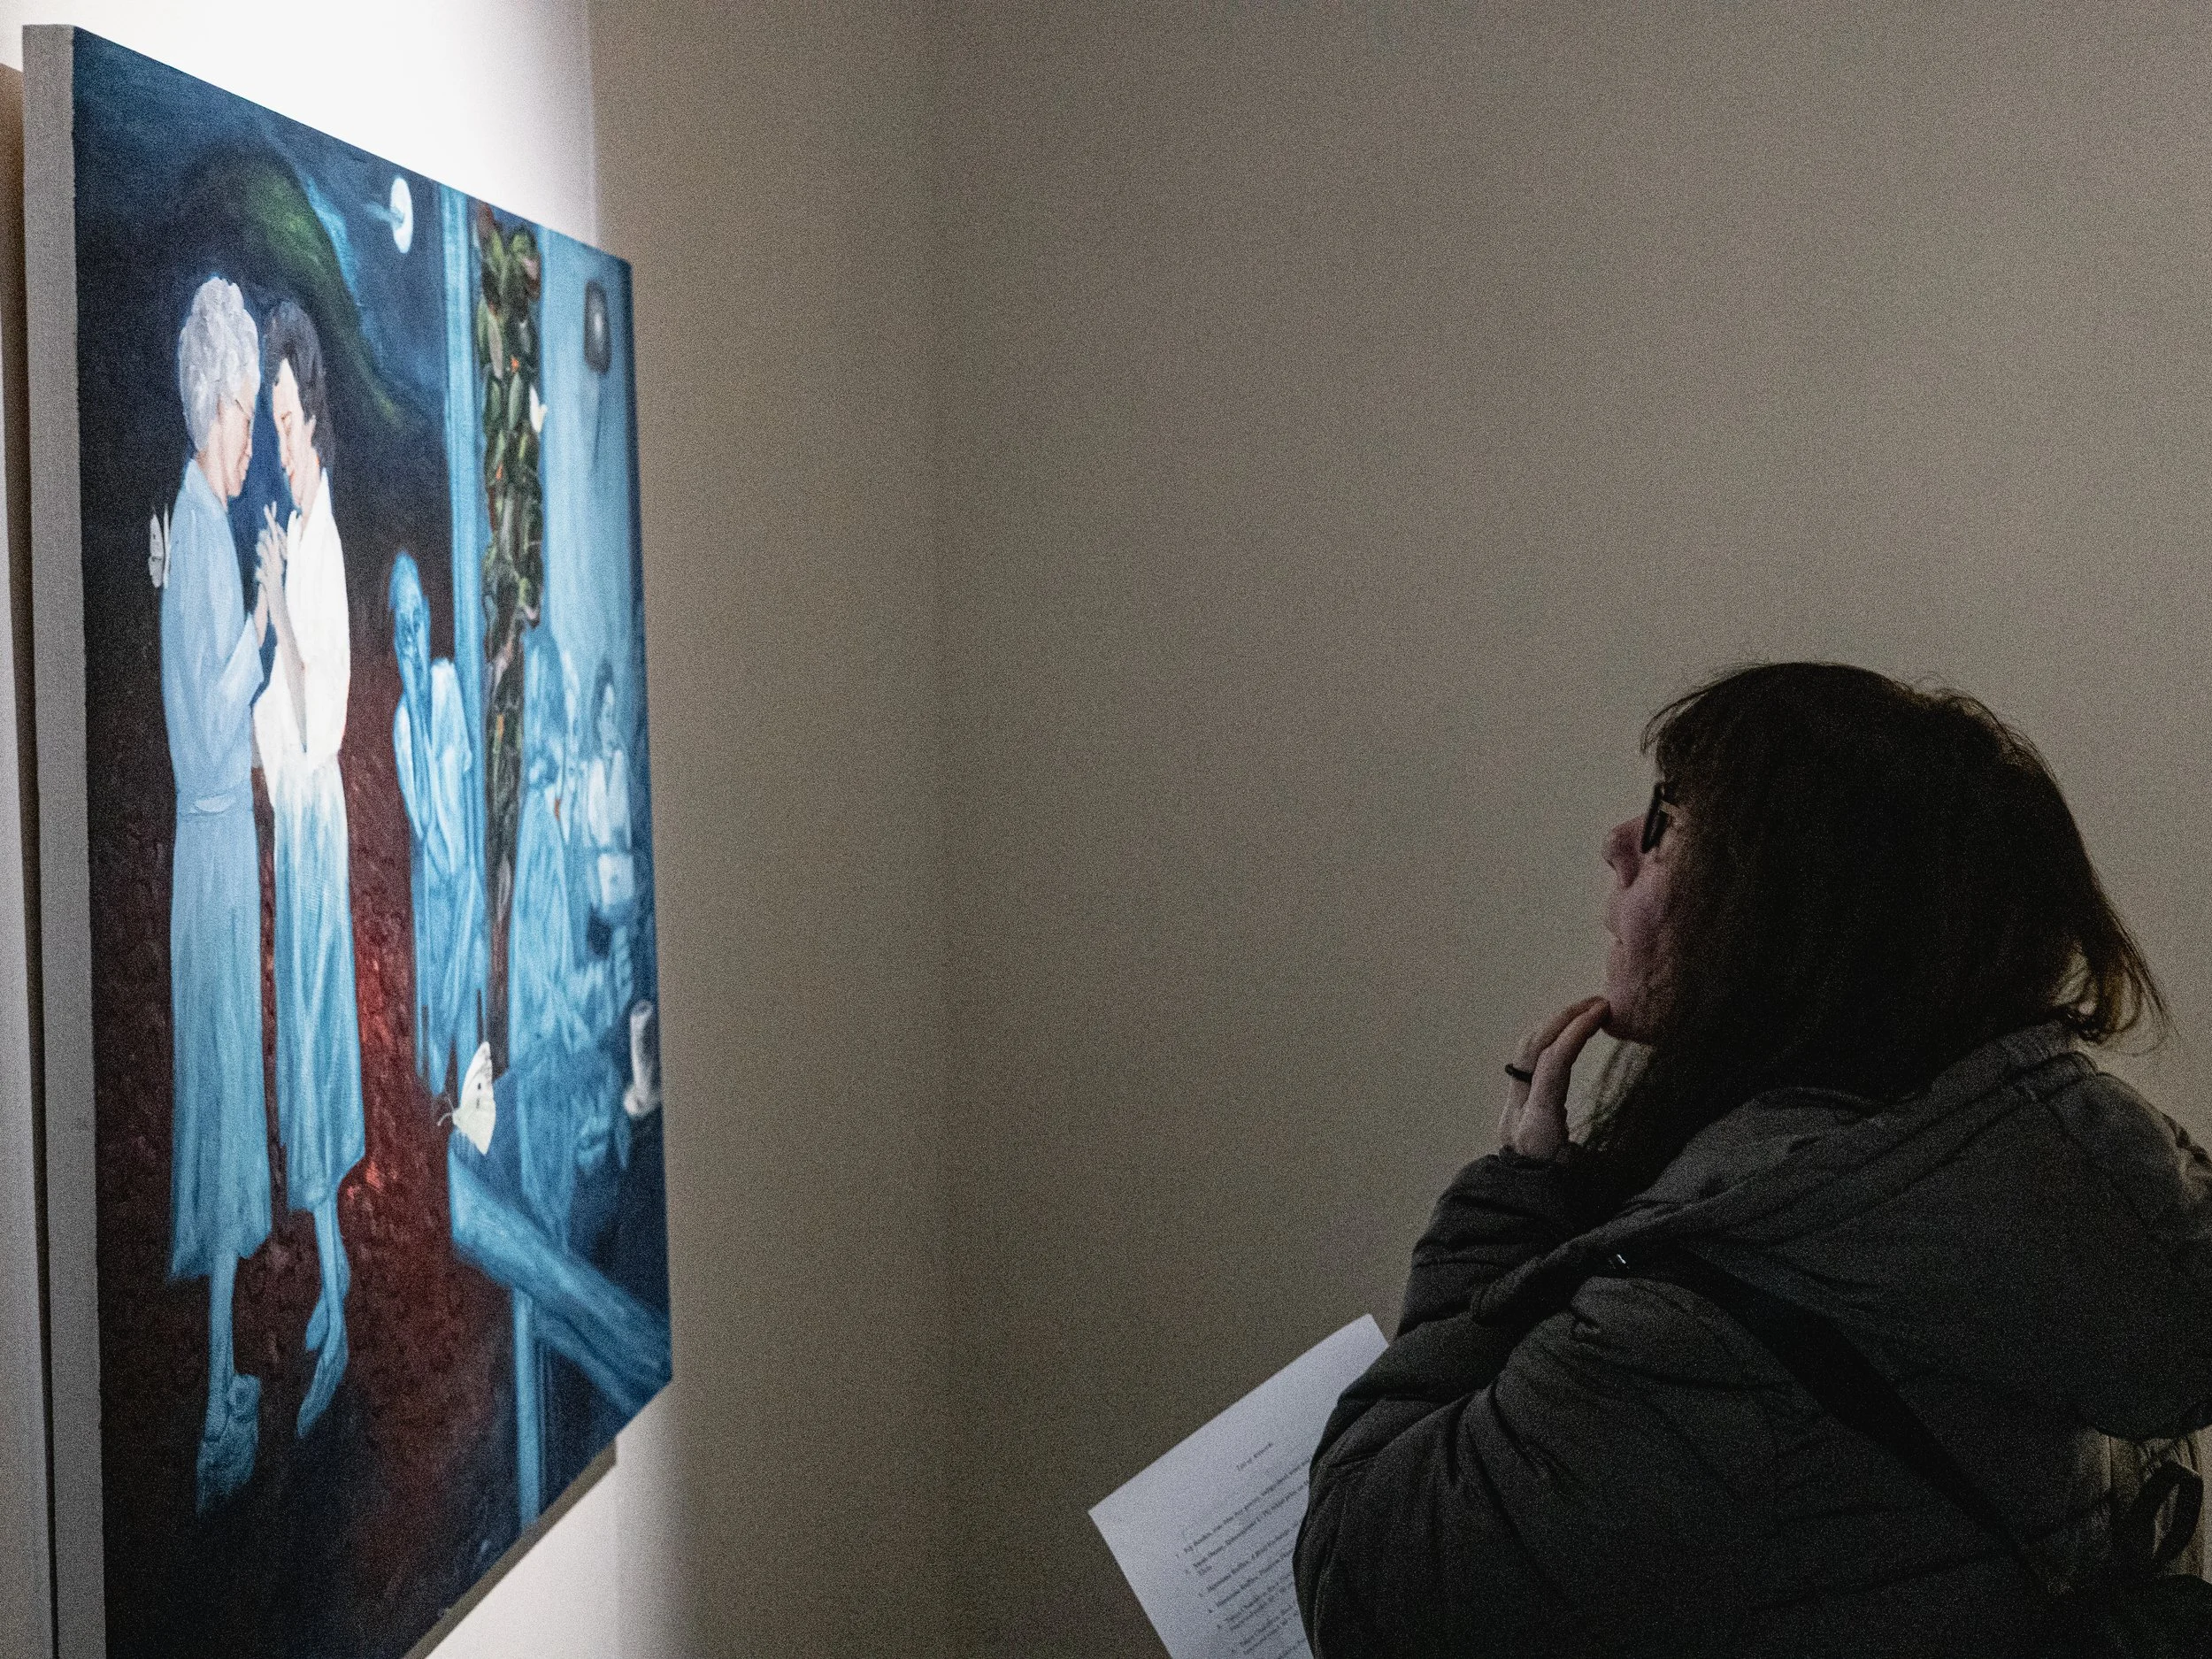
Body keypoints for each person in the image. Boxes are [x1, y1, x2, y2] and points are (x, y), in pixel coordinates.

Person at [1294, 662, 2212, 1658]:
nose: (1615, 846)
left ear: (1776, 910)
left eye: (1664, 823)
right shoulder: (2050, 1179)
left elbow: (1376, 1598)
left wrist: (1502, 1218)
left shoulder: (1704, 1316)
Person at [159, 275, 274, 1513]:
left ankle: (224, 1375)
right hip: (212, 845)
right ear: (217, 406)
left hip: (219, 847)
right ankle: (212, 1408)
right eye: (241, 416)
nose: (247, 442)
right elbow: (204, 724)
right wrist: (261, 634)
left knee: (231, 1107)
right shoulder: (199, 529)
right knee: (223, 1103)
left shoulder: (198, 522)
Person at [252, 299, 365, 1437]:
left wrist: (280, 602)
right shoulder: (308, 522)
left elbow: (320, 718)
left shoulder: (322, 545)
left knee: (320, 1064)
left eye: (288, 421)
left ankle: (339, 1298)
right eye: (271, 422)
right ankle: (338, 1293)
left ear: (312, 412)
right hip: (302, 815)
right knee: (309, 1061)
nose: (280, 444)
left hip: (317, 820)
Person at [390, 553, 487, 1100]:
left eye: (416, 615)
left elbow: (465, 774)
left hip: (465, 867)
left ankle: (473, 1114)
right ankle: (437, 1111)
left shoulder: (449, 680)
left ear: (428, 614)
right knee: (438, 1002)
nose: (411, 631)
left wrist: (475, 864)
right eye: (400, 621)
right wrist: (415, 698)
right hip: (435, 880)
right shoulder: (405, 722)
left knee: (469, 994)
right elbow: (423, 818)